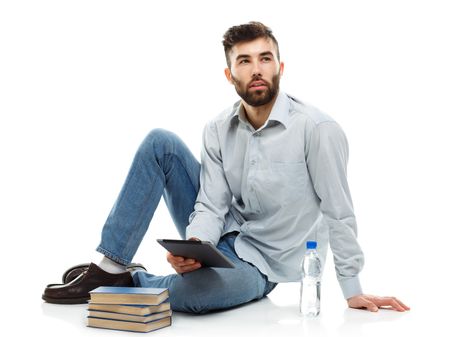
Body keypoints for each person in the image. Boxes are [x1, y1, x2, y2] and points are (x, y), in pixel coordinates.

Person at [43, 22, 410, 314]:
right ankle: (109, 267)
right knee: (161, 143)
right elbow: (211, 203)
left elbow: (338, 211)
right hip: (223, 238)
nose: (257, 70)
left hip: (264, 266)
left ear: (280, 67)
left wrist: (352, 289)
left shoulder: (317, 130)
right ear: (229, 74)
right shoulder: (218, 128)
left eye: (265, 59)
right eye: (245, 61)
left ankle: (132, 280)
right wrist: (196, 246)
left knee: (196, 298)